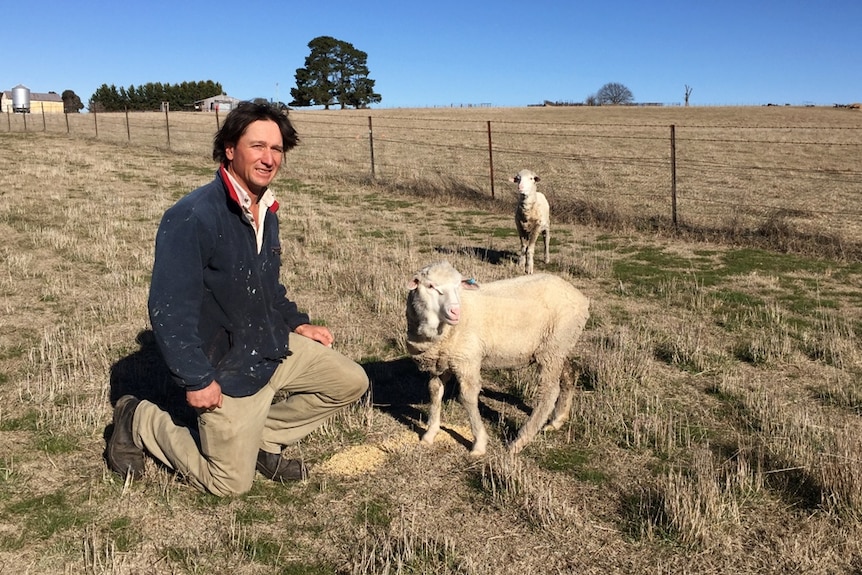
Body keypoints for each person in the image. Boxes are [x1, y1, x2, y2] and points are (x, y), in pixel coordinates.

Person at [106, 102, 369, 496]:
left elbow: (266, 287)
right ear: (230, 148)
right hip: (227, 368)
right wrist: (197, 378)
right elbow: (169, 309)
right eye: (257, 146)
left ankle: (262, 441)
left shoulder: (266, 210)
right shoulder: (194, 215)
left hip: (267, 347)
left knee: (351, 381)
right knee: (228, 484)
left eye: (277, 149)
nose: (269, 159)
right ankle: (138, 419)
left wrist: (297, 323)